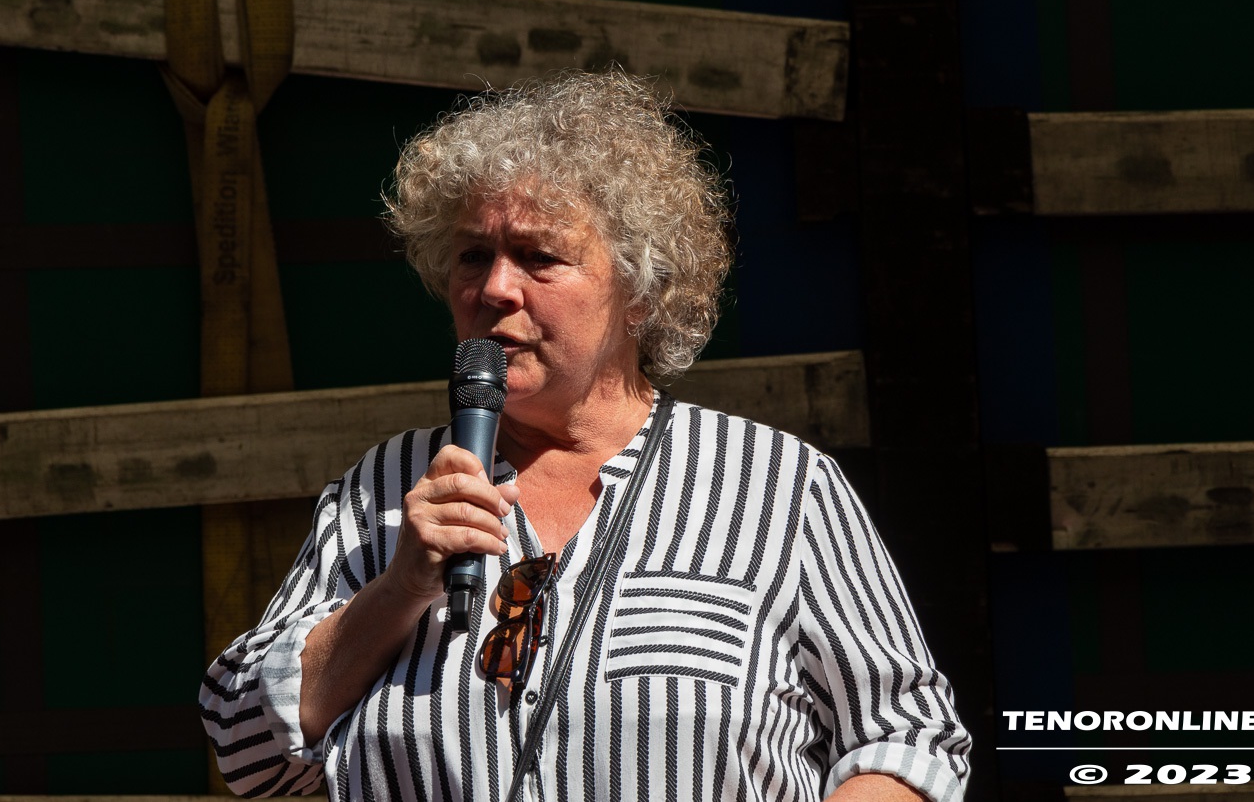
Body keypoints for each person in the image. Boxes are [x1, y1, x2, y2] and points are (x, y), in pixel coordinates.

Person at [200, 70, 971, 802]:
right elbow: (244, 747)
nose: (494, 287)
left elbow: (910, 735)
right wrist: (399, 589)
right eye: (473, 255)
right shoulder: (382, 492)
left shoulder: (778, 488)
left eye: (539, 256)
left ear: (639, 290)